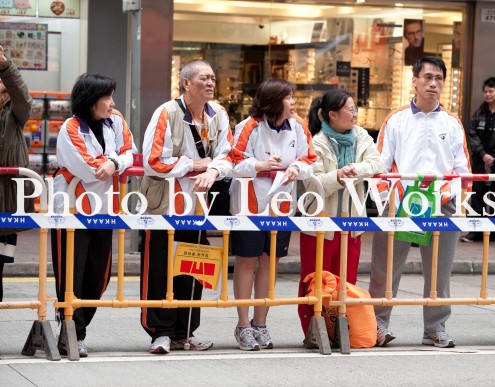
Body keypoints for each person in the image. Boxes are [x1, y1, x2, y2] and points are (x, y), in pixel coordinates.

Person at [368, 56, 470, 348]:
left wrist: (455, 202)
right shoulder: (396, 120)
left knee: (440, 270)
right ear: (414, 81)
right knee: (385, 266)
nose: (433, 84)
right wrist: (387, 198)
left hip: (442, 203)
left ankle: (435, 328)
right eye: (427, 77)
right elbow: (380, 164)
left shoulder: (452, 123)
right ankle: (378, 323)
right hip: (399, 201)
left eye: (439, 78)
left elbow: (462, 169)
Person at [140, 59, 232, 354]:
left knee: (194, 267)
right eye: (204, 78)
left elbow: (228, 154)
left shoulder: (218, 114)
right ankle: (161, 333)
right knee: (160, 269)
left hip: (199, 207)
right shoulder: (166, 112)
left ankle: (186, 332)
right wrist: (194, 164)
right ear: (186, 83)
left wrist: (213, 171)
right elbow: (152, 160)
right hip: (164, 205)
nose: (210, 83)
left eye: (213, 79)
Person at [52, 73, 136, 357]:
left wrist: (114, 162)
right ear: (90, 102)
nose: (113, 103)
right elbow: (88, 168)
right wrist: (114, 163)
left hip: (104, 209)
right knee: (71, 274)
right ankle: (71, 331)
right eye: (107, 98)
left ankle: (78, 327)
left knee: (99, 276)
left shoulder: (117, 121)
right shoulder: (70, 127)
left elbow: (130, 153)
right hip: (72, 211)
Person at [230, 78, 315, 351]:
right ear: (273, 101)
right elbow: (233, 160)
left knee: (270, 263)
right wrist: (259, 165)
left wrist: (297, 169)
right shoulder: (249, 126)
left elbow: (310, 159)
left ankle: (260, 323)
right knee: (246, 261)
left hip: (281, 208)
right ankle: (243, 325)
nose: (293, 103)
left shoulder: (299, 127)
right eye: (289, 98)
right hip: (248, 206)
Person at [298, 90, 384, 334]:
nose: (355, 114)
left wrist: (354, 169)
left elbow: (378, 163)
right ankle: (313, 331)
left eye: (355, 108)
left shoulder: (361, 136)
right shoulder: (317, 142)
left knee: (346, 281)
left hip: (351, 223)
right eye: (350, 109)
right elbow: (313, 183)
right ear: (332, 115)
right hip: (321, 224)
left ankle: (340, 330)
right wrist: (338, 176)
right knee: (315, 280)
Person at [461, 77, 495, 244]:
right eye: (485, 91)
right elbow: (472, 135)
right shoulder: (478, 113)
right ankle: (475, 231)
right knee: (477, 194)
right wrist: (483, 154)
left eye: (491, 91)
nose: (487, 94)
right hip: (479, 161)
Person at [0, 44, 32, 303]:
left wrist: (5, 65)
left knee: (0, 264)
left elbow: (23, 97)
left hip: (6, 204)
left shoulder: (15, 113)